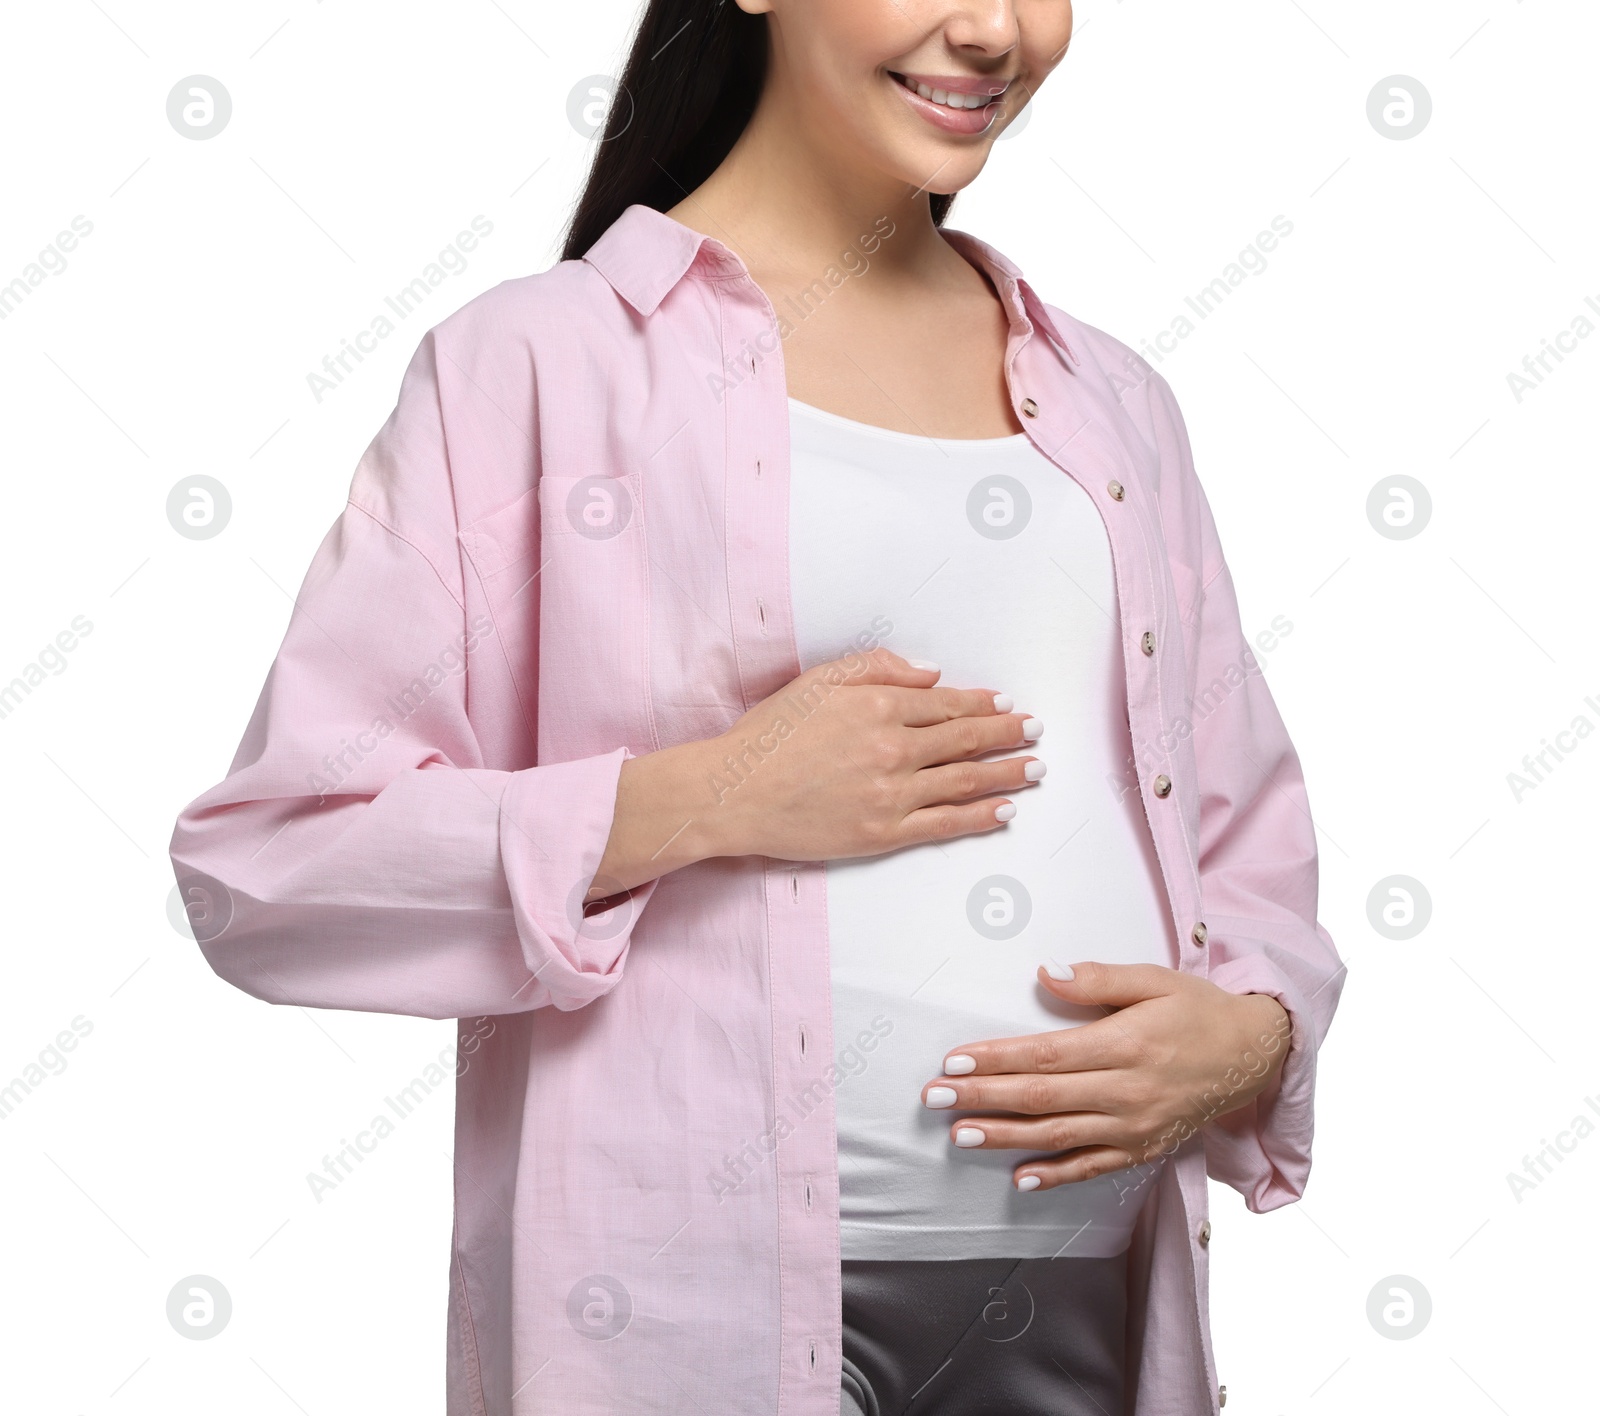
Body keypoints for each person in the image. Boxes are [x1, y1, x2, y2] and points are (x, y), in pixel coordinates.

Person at [169, 1, 1345, 1411]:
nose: (992, 29)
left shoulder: (1116, 405)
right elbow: (273, 860)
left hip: (1081, 1308)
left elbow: (1249, 849)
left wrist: (1251, 1039)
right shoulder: (538, 368)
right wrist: (702, 798)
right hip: (686, 1318)